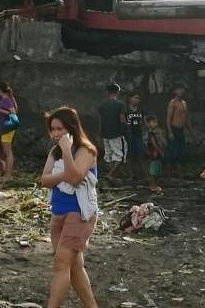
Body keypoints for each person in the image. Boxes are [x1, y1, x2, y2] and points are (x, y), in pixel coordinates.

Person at [40, 107, 99, 308]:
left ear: (71, 128)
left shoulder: (87, 150)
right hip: (58, 213)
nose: (56, 134)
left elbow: (74, 178)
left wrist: (66, 151)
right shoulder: (54, 151)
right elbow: (44, 180)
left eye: (60, 129)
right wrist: (62, 174)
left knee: (60, 264)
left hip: (79, 214)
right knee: (74, 267)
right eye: (53, 129)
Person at [98, 83, 127, 181]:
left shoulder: (103, 105)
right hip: (117, 133)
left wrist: (100, 132)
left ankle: (113, 175)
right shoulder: (120, 104)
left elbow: (101, 120)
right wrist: (126, 130)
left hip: (105, 133)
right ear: (118, 92)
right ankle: (111, 174)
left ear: (107, 92)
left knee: (108, 155)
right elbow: (122, 119)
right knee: (120, 156)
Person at [166, 84, 194, 176]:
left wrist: (192, 132)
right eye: (179, 89)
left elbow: (186, 118)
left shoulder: (184, 103)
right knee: (173, 151)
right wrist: (170, 132)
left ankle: (178, 171)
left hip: (181, 129)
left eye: (182, 89)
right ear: (175, 91)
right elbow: (169, 118)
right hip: (174, 128)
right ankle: (170, 171)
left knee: (181, 151)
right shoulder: (173, 102)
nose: (181, 91)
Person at [0, 82, 18, 181]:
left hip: (8, 129)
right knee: (6, 152)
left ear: (0, 90)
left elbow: (13, 113)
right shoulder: (7, 100)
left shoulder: (7, 100)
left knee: (8, 152)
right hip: (5, 129)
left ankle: (8, 175)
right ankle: (7, 173)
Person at [124, 92, 148, 181]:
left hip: (139, 135)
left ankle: (146, 175)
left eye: (138, 98)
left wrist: (146, 132)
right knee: (129, 156)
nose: (137, 100)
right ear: (130, 99)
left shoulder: (141, 110)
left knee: (141, 155)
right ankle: (131, 175)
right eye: (135, 98)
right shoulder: (126, 110)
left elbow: (145, 122)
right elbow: (123, 122)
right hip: (129, 136)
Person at [144, 115, 165, 193]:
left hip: (156, 153)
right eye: (153, 122)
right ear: (148, 123)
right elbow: (154, 144)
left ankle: (156, 184)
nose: (156, 124)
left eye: (156, 122)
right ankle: (152, 185)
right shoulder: (150, 134)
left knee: (157, 170)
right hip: (154, 153)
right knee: (153, 170)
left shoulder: (155, 132)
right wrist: (159, 151)